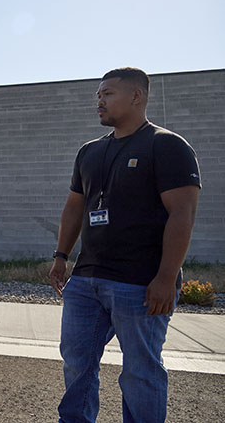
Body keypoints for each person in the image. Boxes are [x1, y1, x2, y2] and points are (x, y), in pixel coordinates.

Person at [49, 67, 201, 423]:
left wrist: (166, 277)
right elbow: (74, 208)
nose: (99, 101)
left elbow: (182, 214)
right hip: (86, 281)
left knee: (140, 371)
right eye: (98, 95)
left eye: (108, 94)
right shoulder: (89, 151)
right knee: (77, 363)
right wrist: (60, 257)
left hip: (141, 283)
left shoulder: (167, 146)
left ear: (136, 96)